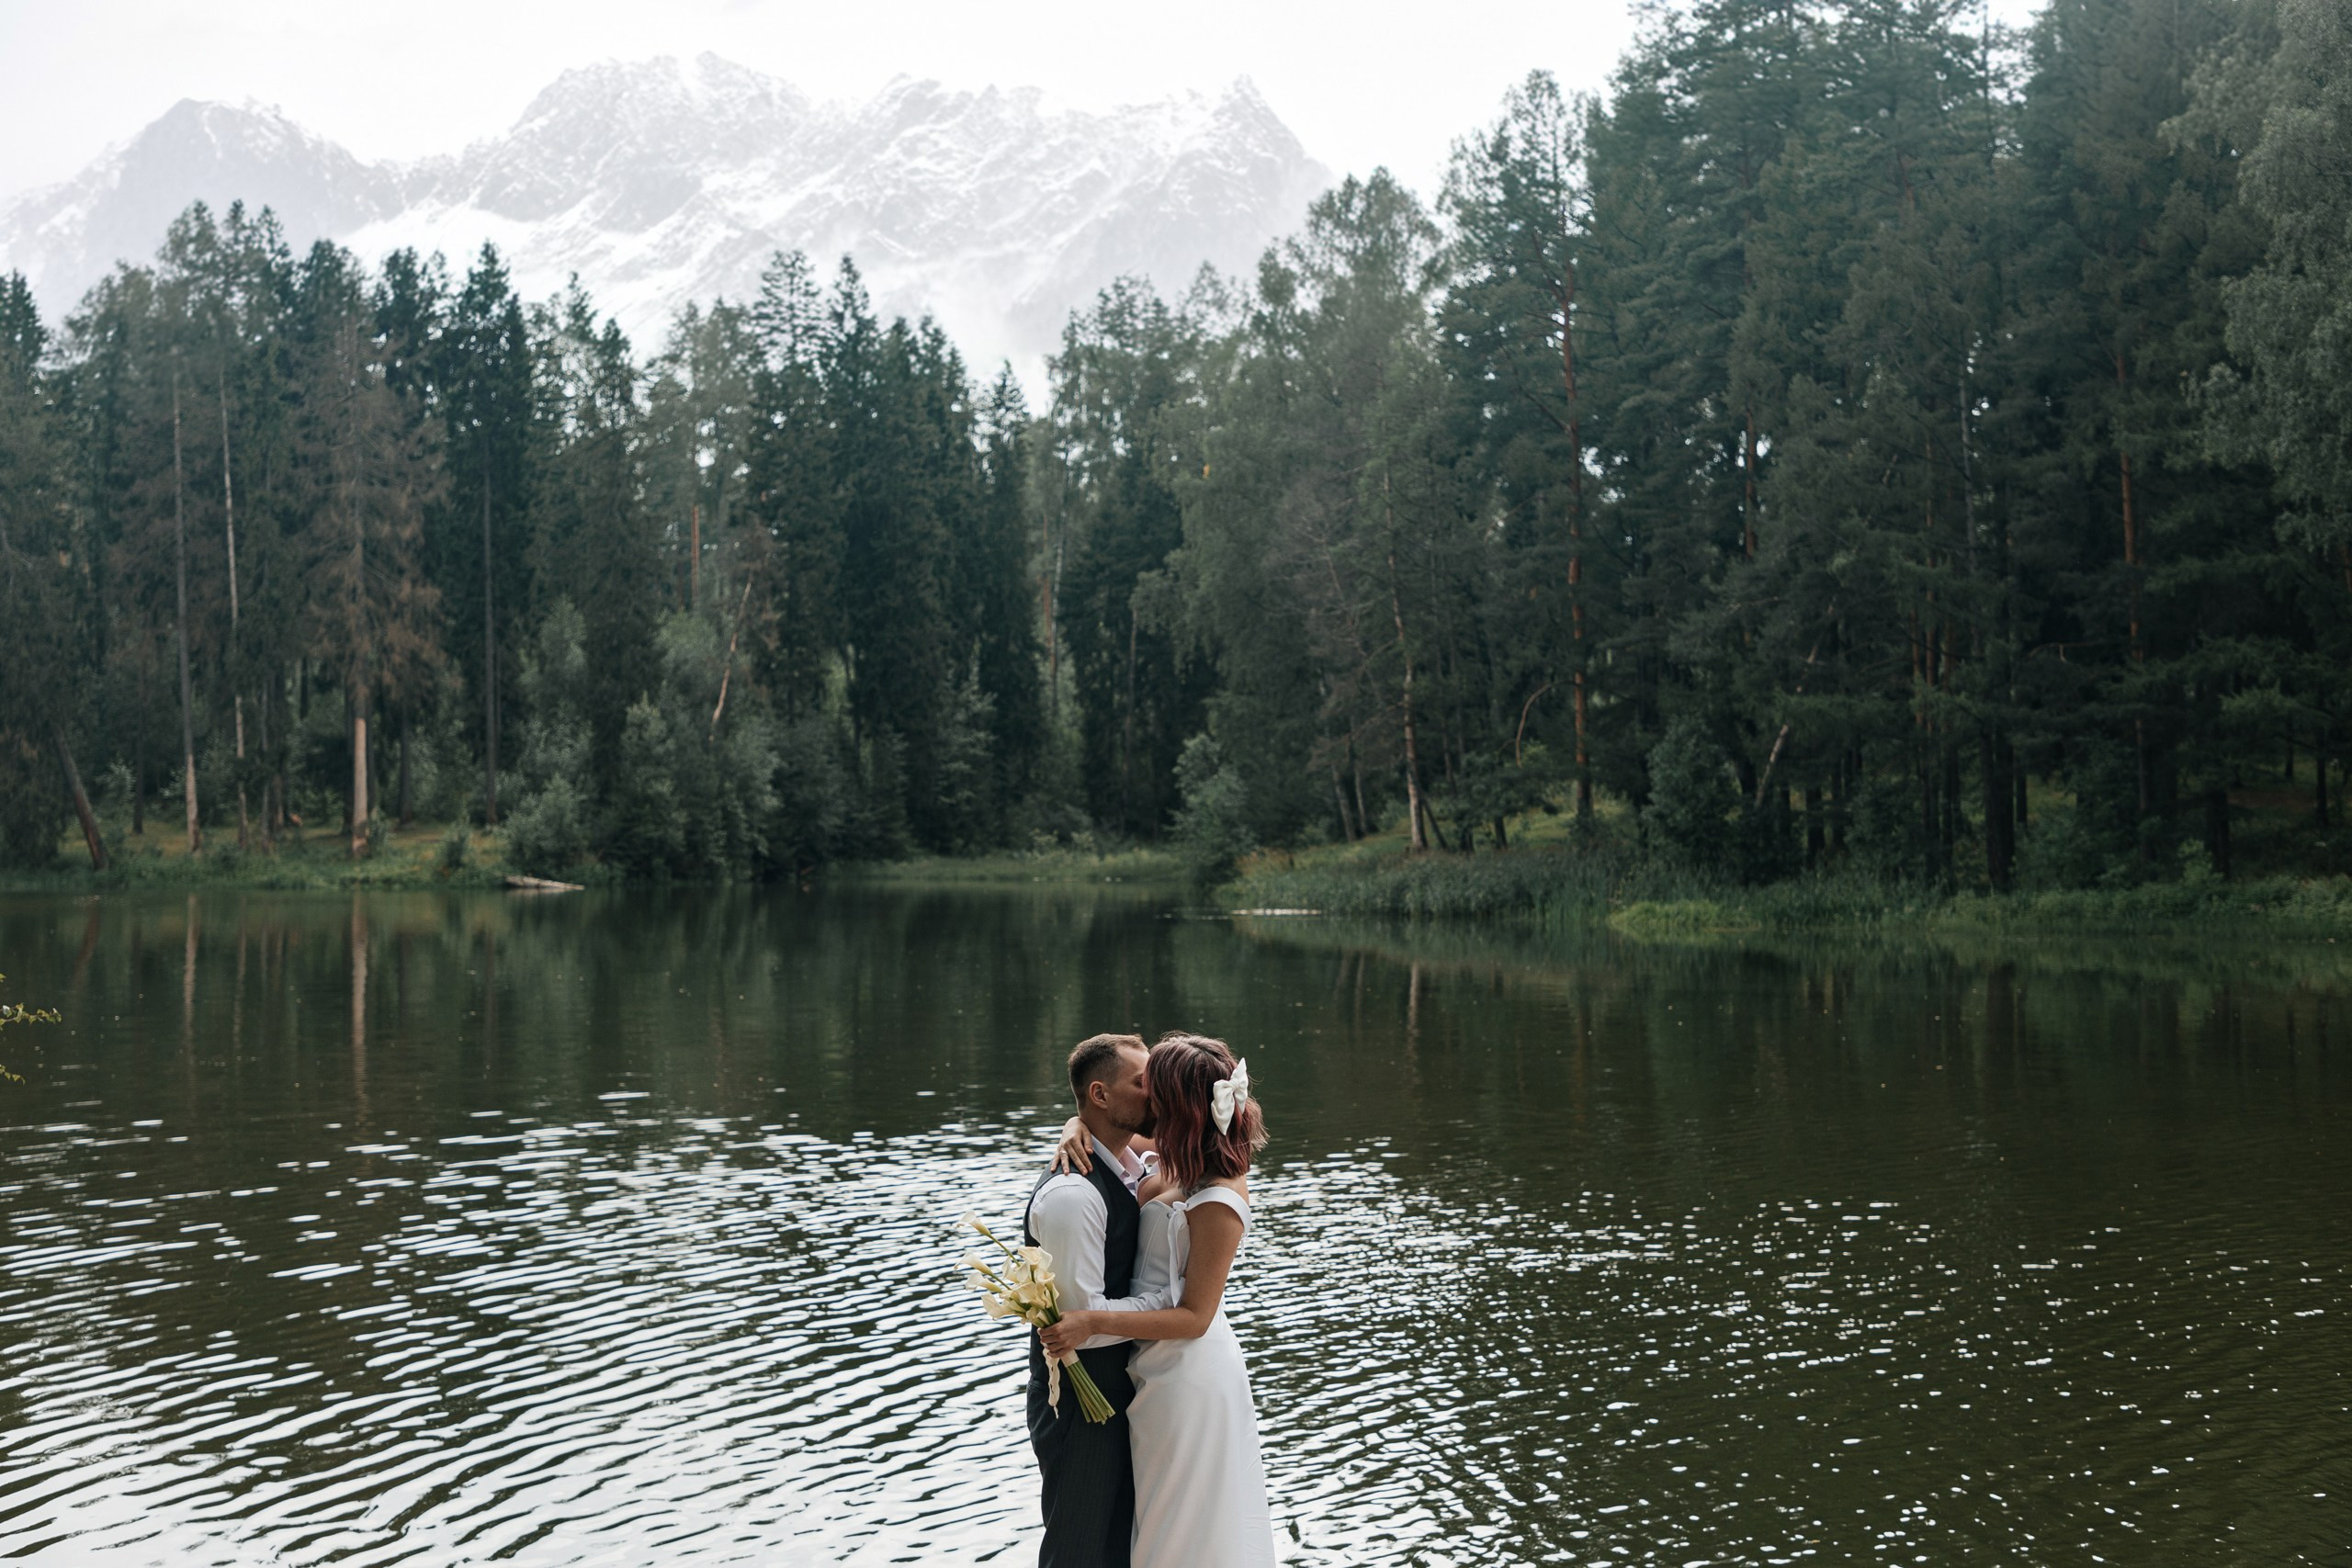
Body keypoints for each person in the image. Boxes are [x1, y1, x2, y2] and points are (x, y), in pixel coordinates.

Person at [1042, 1032, 1277, 1568]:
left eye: (1154, 1086)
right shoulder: (1170, 1151)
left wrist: (1088, 1322)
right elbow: (1105, 1129)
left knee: (1182, 1526)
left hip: (1190, 1374)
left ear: (1178, 1102)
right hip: (1148, 1364)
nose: (1147, 1095)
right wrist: (1075, 1123)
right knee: (1153, 1517)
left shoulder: (1221, 1191)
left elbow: (1197, 1316)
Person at [1023, 1033, 1175, 1568]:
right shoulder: (1073, 1196)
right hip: (1080, 1404)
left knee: (1115, 1550)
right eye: (1143, 1084)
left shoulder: (1125, 1163)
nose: (1156, 1096)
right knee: (1079, 1553)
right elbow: (1082, 1324)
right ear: (1100, 1095)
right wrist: (1169, 1303)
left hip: (1117, 1396)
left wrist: (1076, 1124)